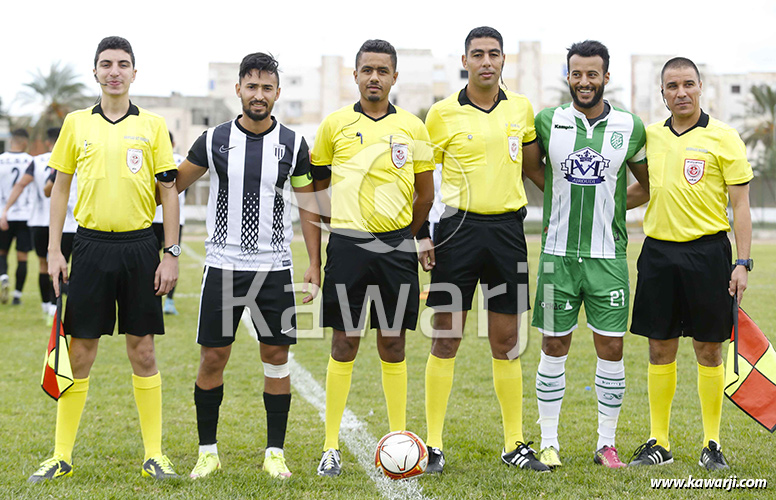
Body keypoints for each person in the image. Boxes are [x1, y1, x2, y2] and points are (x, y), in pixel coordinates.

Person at [28, 36, 181, 482]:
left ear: (135, 72)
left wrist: (169, 253)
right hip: (90, 247)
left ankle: (154, 454)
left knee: (144, 349)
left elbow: (168, 193)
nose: (115, 71)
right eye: (106, 64)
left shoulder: (152, 126)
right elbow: (59, 188)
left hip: (139, 247)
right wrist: (56, 250)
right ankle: (61, 455)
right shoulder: (76, 124)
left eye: (123, 64)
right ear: (95, 72)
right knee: (81, 351)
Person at [175, 52, 320, 480]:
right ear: (238, 88)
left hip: (274, 267)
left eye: (267, 87)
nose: (259, 95)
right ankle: (207, 451)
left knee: (276, 358)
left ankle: (275, 452)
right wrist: (168, 246)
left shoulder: (293, 145)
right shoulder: (214, 139)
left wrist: (314, 262)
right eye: (251, 86)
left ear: (278, 93)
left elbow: (309, 203)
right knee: (212, 358)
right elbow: (174, 187)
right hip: (222, 265)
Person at [420, 26, 547, 473]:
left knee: (507, 340)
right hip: (457, 231)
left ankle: (514, 442)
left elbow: (536, 170)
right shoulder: (441, 114)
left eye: (494, 54)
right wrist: (421, 231)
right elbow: (421, 176)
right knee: (446, 335)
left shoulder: (521, 108)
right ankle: (432, 444)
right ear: (465, 60)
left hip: (509, 231)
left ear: (504, 60)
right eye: (478, 54)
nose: (487, 62)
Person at [311, 39, 434, 477]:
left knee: (394, 341)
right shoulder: (335, 125)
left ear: (395, 76)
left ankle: (399, 441)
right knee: (344, 342)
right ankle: (330, 446)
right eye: (367, 70)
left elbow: (425, 193)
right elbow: (318, 183)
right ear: (356, 75)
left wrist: (414, 235)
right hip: (347, 246)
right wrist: (342, 224)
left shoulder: (413, 128)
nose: (375, 77)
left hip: (397, 247)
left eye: (383, 70)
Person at [627, 57, 753, 470]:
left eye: (688, 84)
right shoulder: (648, 136)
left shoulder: (724, 137)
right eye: (671, 86)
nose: (680, 92)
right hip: (659, 253)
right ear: (662, 93)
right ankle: (658, 441)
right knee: (659, 346)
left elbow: (740, 205)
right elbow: (636, 189)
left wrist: (743, 262)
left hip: (708, 253)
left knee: (708, 348)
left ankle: (711, 443)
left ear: (701, 87)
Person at [530, 41, 649, 469]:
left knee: (611, 348)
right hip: (555, 257)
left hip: (608, 257)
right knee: (553, 343)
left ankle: (606, 444)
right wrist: (562, 195)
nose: (584, 82)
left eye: (592, 74)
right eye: (576, 74)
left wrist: (615, 205)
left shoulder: (630, 126)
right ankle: (548, 442)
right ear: (568, 76)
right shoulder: (548, 121)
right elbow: (532, 167)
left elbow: (647, 184)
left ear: (605, 77)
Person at [1, 127, 61, 319]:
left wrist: (6, 209)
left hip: (37, 220)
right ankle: (44, 300)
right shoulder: (70, 159)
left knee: (43, 263)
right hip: (65, 221)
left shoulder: (34, 161)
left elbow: (20, 185)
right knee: (63, 263)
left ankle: (46, 305)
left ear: (46, 142)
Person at [152, 131, 186, 315]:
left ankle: (167, 301)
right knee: (169, 257)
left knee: (163, 258)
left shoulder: (179, 161)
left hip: (162, 217)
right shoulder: (178, 159)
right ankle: (167, 301)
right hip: (162, 218)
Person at [0, 128, 33, 305]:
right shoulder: (30, 161)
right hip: (26, 216)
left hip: (4, 215)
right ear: (25, 141)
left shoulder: (1, 160)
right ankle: (17, 295)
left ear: (12, 140)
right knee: (23, 257)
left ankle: (3, 276)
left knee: (2, 252)